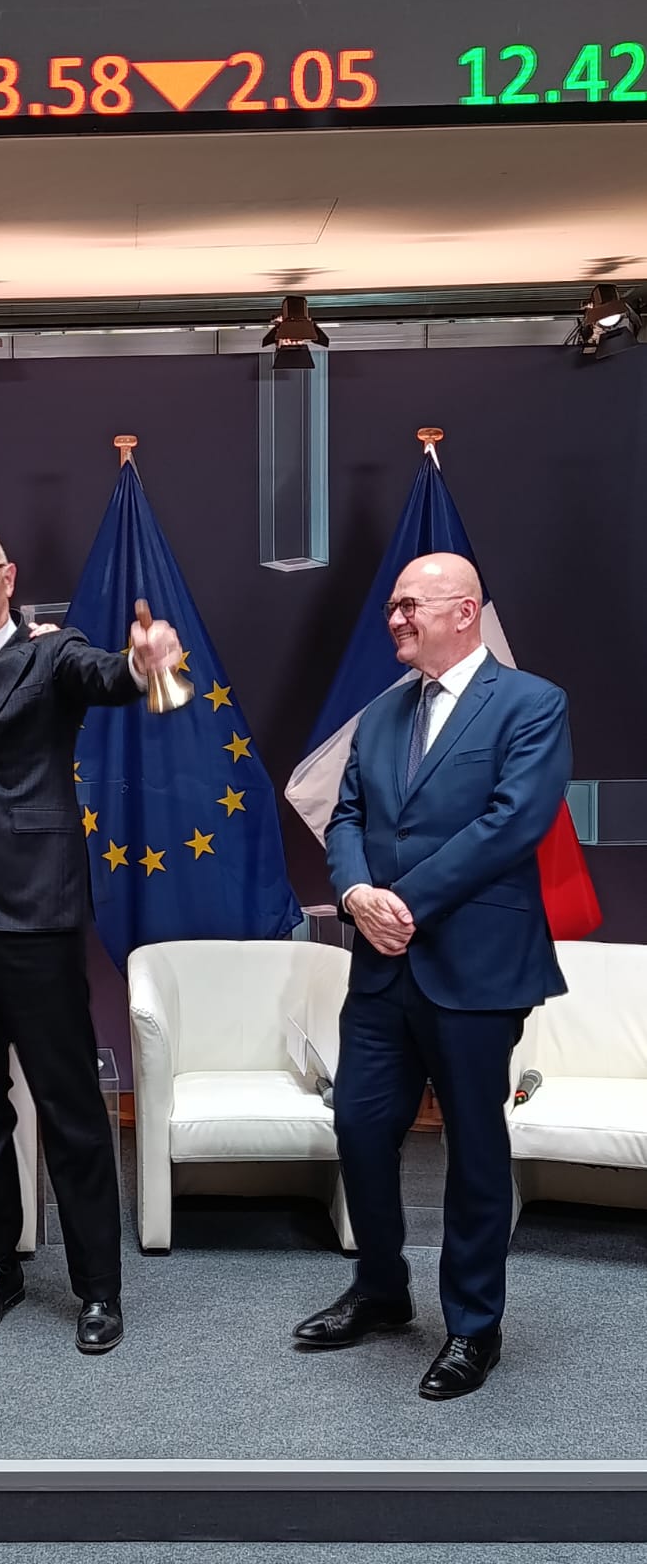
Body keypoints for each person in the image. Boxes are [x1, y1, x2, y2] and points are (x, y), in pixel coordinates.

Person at [292, 552, 572, 1400]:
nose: (395, 618)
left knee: (475, 1148)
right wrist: (354, 894)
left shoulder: (532, 703)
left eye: (411, 605)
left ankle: (474, 1327)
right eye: (393, 606)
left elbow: (512, 823)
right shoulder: (381, 714)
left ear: (466, 611)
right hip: (382, 968)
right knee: (359, 1128)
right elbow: (346, 816)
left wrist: (402, 902)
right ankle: (382, 1289)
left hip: (476, 966)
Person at [0, 525, 181, 1355]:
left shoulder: (51, 652)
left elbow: (107, 676)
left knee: (68, 1106)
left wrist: (143, 663)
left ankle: (98, 1286)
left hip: (35, 909)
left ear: (9, 577)